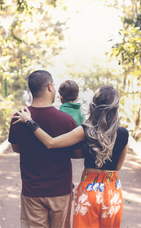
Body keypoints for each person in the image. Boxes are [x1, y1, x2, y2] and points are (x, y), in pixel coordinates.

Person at [13, 85, 129, 228]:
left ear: (95, 105)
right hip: (113, 191)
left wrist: (30, 122)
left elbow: (50, 143)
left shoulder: (86, 130)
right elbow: (117, 166)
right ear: (116, 106)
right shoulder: (124, 134)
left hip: (89, 190)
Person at [8, 70, 82, 228]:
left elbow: (16, 148)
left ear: (31, 90)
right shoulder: (66, 120)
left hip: (32, 191)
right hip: (60, 191)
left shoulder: (18, 118)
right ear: (49, 86)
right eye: (54, 85)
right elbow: (76, 153)